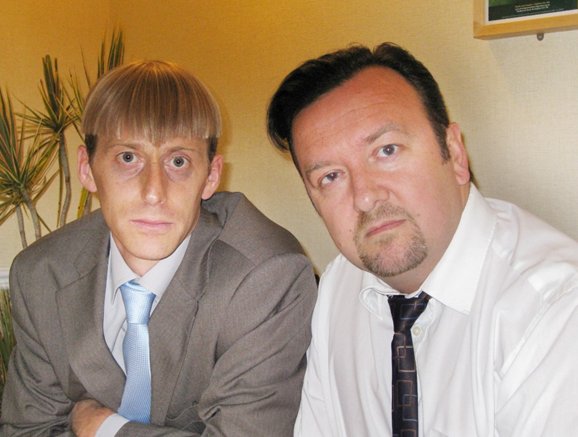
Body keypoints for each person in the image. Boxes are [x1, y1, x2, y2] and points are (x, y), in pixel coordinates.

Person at [267, 42, 578, 436]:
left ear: (455, 154)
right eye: (330, 176)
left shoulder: (554, 311)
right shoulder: (340, 285)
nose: (365, 196)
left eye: (387, 151)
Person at [1, 60, 317, 436]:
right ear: (87, 168)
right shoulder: (41, 274)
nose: (154, 192)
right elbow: (27, 430)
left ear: (211, 176)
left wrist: (102, 428)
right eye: (128, 158)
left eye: (178, 161)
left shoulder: (265, 276)